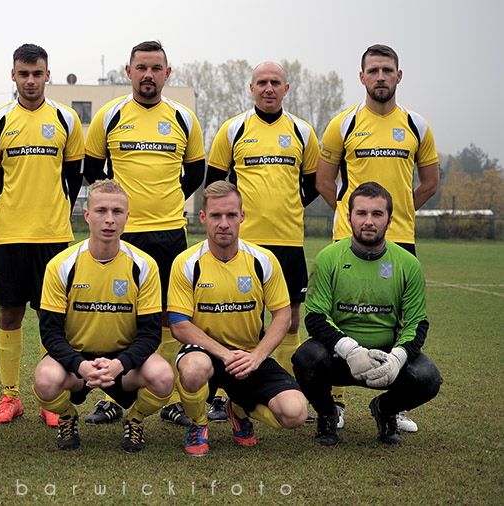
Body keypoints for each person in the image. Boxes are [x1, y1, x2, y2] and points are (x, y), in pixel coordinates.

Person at [315, 44, 439, 432]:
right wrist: (351, 218)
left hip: (399, 241)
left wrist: (396, 215)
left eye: (387, 70)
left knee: (398, 322)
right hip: (347, 240)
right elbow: (324, 181)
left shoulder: (417, 125)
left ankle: (394, 404)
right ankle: (335, 403)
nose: (380, 77)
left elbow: (430, 182)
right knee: (339, 318)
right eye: (373, 70)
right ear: (362, 77)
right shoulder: (343, 124)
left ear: (399, 76)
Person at [84, 40, 206, 426]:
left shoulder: (184, 118)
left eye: (156, 68)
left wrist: (169, 200)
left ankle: (168, 398)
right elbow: (93, 171)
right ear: (129, 72)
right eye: (141, 68)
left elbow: (196, 173)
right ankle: (111, 398)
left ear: (167, 73)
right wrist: (117, 209)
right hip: (123, 236)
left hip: (169, 233)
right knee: (118, 316)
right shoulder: (109, 116)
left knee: (170, 317)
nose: (148, 75)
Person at [203, 61, 320, 422]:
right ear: (251, 88)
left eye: (275, 82)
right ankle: (226, 396)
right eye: (262, 82)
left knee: (291, 319)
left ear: (286, 89)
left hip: (288, 241)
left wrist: (288, 207)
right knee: (237, 320)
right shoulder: (233, 129)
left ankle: (286, 386)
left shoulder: (302, 131)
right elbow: (213, 182)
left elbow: (313, 184)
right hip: (245, 244)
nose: (269, 88)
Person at [293, 182, 442, 445]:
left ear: (390, 219)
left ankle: (385, 410)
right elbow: (315, 317)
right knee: (306, 358)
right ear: (348, 217)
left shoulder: (408, 264)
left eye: (377, 214)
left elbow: (417, 322)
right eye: (361, 213)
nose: (369, 221)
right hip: (340, 356)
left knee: (427, 377)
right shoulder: (328, 258)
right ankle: (327, 414)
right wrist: (351, 350)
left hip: (386, 357)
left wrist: (397, 357)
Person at [33, 180, 174, 452]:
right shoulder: (61, 265)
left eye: (117, 211)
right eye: (101, 211)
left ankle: (135, 419)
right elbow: (50, 332)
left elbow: (150, 333)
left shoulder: (144, 265)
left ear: (127, 217)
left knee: (164, 377)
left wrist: (120, 364)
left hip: (125, 361)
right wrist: (80, 365)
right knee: (45, 381)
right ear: (87, 215)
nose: (109, 219)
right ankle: (67, 415)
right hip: (76, 361)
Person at [0, 43, 85, 426]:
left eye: (37, 73)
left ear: (47, 75)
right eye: (23, 74)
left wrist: (53, 212)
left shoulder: (66, 119)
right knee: (10, 314)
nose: (30, 80)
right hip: (9, 235)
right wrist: (13, 210)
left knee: (50, 316)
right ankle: (10, 396)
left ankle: (49, 397)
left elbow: (72, 178)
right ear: (13, 75)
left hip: (53, 236)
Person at [168, 181, 307, 456]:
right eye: (216, 215)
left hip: (248, 355)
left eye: (231, 215)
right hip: (204, 353)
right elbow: (179, 325)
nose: (224, 223)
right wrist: (224, 354)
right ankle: (198, 423)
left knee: (295, 413)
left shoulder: (263, 260)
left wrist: (256, 357)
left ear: (242, 216)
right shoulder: (186, 262)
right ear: (203, 217)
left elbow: (283, 316)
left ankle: (239, 408)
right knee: (193, 369)